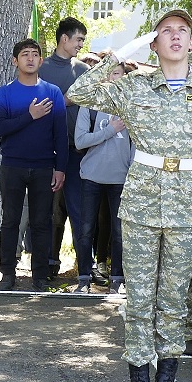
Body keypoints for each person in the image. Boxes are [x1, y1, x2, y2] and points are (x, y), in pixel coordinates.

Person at [68, 7, 192, 382]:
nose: (175, 37)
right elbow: (79, 93)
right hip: (141, 201)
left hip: (187, 203)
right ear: (155, 44)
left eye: (183, 31)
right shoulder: (134, 87)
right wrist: (119, 58)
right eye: (165, 31)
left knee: (173, 301)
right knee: (139, 300)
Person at [0, 38, 68, 291]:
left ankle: (40, 277)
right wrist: (30, 116)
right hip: (13, 166)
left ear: (41, 60)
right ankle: (7, 274)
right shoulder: (5, 93)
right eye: (25, 54)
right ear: (16, 61)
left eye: (35, 54)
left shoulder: (52, 92)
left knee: (41, 222)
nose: (31, 59)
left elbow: (60, 134)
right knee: (10, 221)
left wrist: (61, 168)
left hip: (44, 167)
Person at [71, 52, 131, 294]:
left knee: (119, 232)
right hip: (92, 176)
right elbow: (80, 141)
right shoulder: (90, 105)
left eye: (116, 73)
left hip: (121, 178)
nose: (111, 78)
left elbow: (137, 144)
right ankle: (84, 278)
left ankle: (117, 279)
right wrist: (111, 130)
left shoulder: (131, 105)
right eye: (107, 73)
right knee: (86, 229)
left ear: (124, 77)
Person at [39, 18, 88, 279]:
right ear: (64, 39)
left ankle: (85, 268)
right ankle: (47, 264)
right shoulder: (42, 68)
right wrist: (65, 100)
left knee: (79, 210)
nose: (81, 45)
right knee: (49, 211)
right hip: (47, 152)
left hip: (78, 152)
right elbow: (38, 107)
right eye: (78, 39)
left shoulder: (83, 70)